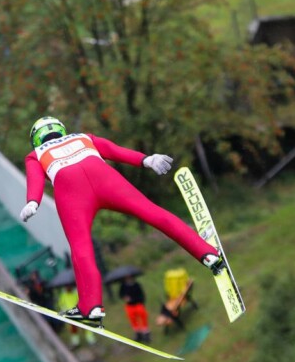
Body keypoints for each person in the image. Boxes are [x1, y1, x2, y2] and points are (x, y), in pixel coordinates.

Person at [20, 116, 224, 325]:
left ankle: (91, 307)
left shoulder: (35, 155)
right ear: (61, 130)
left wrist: (33, 202)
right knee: (153, 213)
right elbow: (114, 150)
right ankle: (208, 254)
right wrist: (147, 159)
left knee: (81, 247)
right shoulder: (83, 137)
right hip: (105, 179)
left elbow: (35, 178)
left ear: (36, 139)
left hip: (72, 191)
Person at [57, 284, 96, 349]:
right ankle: (75, 342)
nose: (67, 287)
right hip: (70, 315)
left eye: (68, 286)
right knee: (73, 328)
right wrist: (65, 310)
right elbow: (61, 304)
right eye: (66, 286)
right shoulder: (63, 294)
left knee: (85, 326)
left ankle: (91, 340)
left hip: (80, 313)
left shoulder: (77, 292)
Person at [118, 275, 150, 343]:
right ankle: (138, 333)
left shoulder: (136, 285)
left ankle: (146, 332)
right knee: (133, 319)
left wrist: (139, 301)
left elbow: (141, 295)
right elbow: (121, 294)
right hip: (130, 306)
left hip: (138, 304)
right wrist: (125, 297)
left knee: (143, 317)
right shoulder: (123, 286)